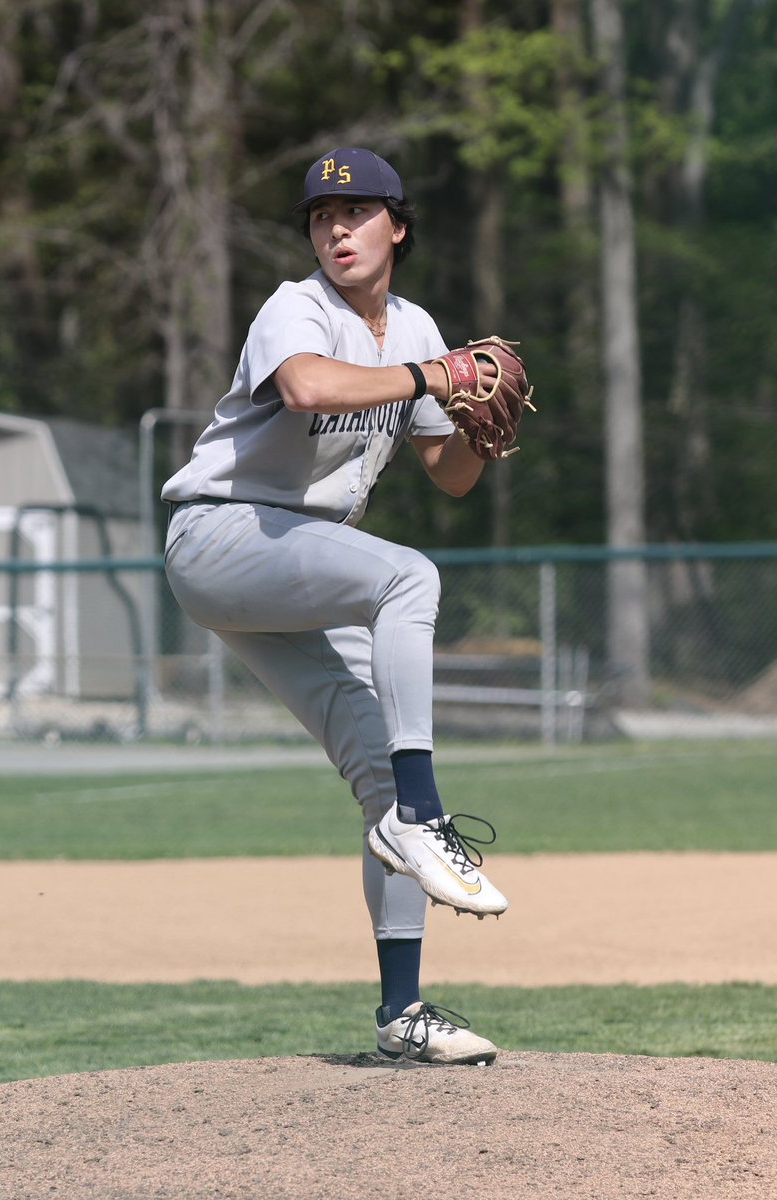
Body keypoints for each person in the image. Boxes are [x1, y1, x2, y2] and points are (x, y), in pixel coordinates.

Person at [162, 147, 513, 1066]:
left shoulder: (416, 327)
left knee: (380, 782)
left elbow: (450, 477)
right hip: (222, 536)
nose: (335, 229)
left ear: (397, 225)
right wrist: (434, 379)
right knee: (409, 579)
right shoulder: (297, 306)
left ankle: (404, 1009)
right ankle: (427, 815)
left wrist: (486, 430)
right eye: (321, 216)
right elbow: (308, 388)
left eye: (355, 213)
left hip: (297, 564)